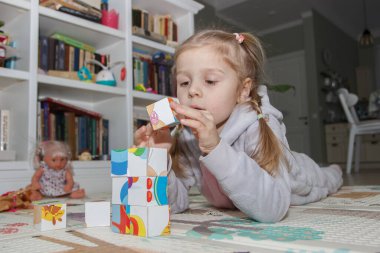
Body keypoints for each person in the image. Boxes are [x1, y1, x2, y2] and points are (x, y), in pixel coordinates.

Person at [134, 30, 343, 222]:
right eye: (184, 82)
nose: (193, 91)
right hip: (236, 196)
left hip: (299, 175)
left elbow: (274, 208)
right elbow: (175, 204)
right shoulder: (186, 135)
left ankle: (336, 170)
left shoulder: (260, 125)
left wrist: (215, 149)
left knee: (329, 178)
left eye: (210, 80)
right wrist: (159, 159)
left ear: (243, 90)